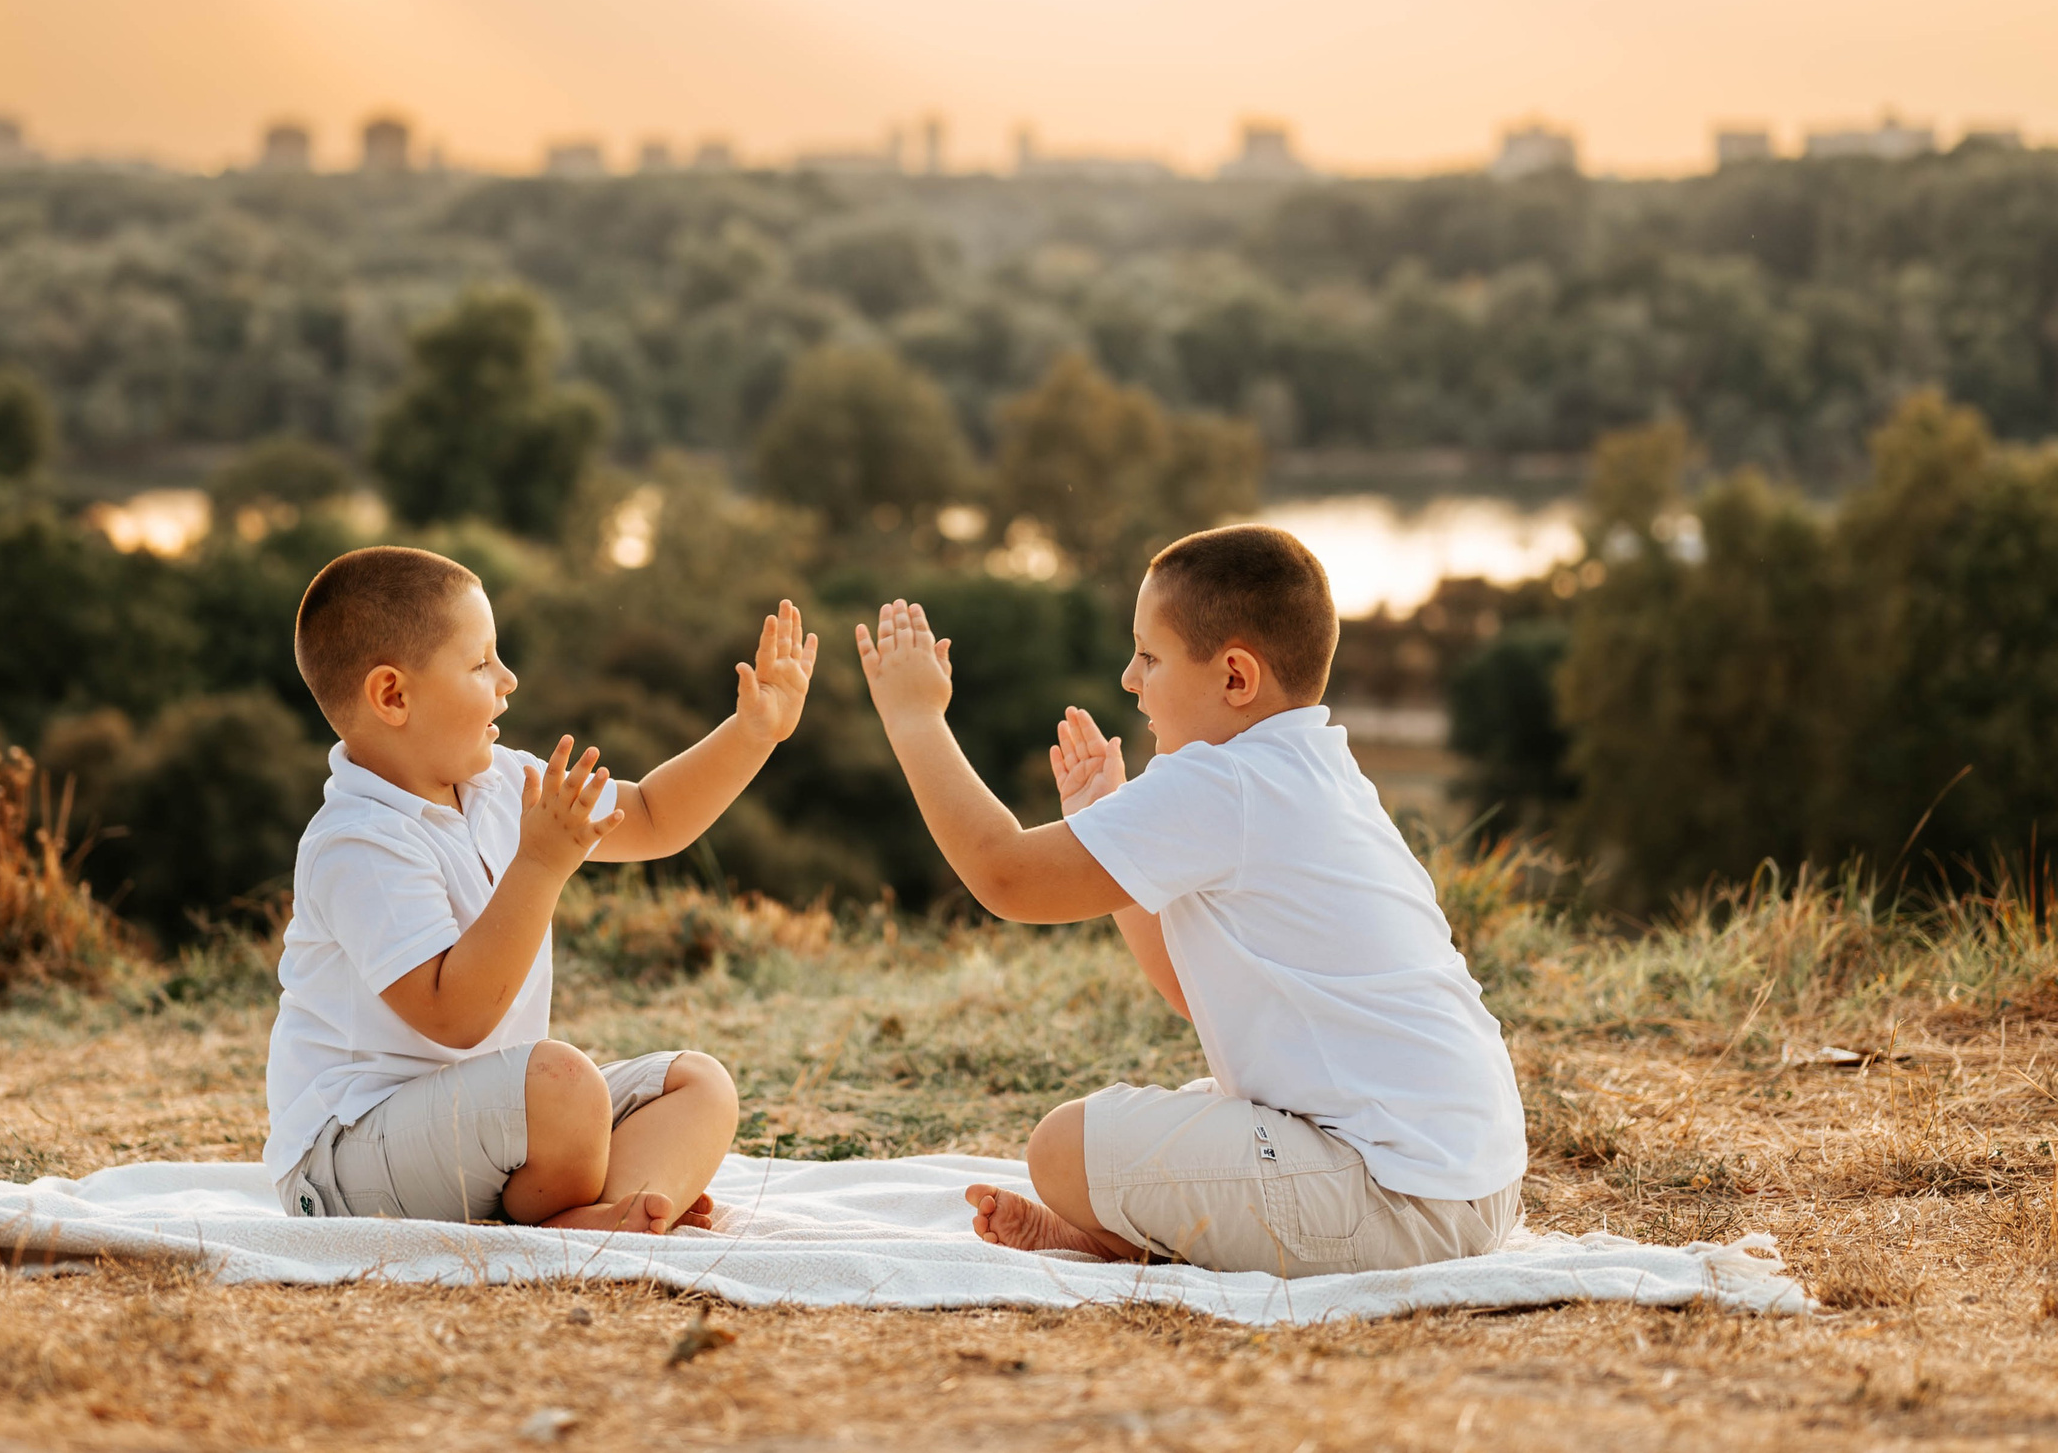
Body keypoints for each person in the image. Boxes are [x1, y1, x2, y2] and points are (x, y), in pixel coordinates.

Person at [854, 524, 1527, 1275]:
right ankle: (1117, 1235)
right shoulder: (1316, 769)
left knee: (1061, 1147)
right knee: (1172, 1119)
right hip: (1465, 1183)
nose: (1129, 679)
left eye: (1149, 655)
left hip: (1394, 1195)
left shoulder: (1224, 782)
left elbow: (1004, 875)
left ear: (1236, 677)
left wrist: (914, 718)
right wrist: (1103, 824)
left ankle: (1123, 1236)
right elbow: (1192, 989)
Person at [266, 545, 818, 1234]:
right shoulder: (357, 841)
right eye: (481, 661)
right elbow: (455, 1015)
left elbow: (648, 813)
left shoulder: (500, 781)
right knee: (562, 1086)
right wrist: (541, 864)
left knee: (698, 1083)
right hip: (349, 1158)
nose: (509, 679)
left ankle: (615, 1210)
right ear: (393, 695)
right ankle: (579, 1213)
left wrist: (751, 733)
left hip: (492, 1128)